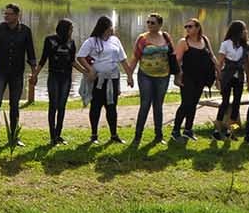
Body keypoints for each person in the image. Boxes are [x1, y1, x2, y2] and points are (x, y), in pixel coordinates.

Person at [0, 3, 36, 148]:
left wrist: (34, 71)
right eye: (5, 14)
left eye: (9, 14)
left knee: (14, 105)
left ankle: (14, 136)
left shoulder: (25, 31)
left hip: (17, 73)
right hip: (0, 72)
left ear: (18, 15)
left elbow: (31, 53)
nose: (6, 16)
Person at [75, 15, 129, 144]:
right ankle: (94, 135)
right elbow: (80, 57)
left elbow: (123, 59)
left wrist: (130, 75)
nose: (112, 30)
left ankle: (114, 135)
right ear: (104, 28)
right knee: (96, 106)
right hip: (98, 80)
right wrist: (90, 69)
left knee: (112, 107)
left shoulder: (115, 40)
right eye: (110, 27)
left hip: (113, 79)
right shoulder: (91, 41)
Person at [131, 14, 176, 146]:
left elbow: (172, 56)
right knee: (145, 105)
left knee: (158, 106)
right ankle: (137, 137)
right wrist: (129, 75)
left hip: (163, 76)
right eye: (148, 22)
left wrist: (178, 75)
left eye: (153, 23)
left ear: (160, 25)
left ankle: (158, 136)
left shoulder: (166, 37)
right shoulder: (142, 38)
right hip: (145, 75)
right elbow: (135, 57)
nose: (150, 25)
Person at [34, 18, 78, 145]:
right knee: (53, 105)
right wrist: (35, 75)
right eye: (71, 29)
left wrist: (86, 72)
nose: (72, 31)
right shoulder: (50, 40)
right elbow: (43, 60)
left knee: (62, 106)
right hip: (54, 76)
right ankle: (52, 135)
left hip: (66, 77)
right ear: (65, 29)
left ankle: (58, 134)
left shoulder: (72, 42)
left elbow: (73, 61)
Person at [172, 18, 215, 141]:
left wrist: (218, 71)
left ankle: (188, 130)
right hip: (187, 78)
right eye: (186, 27)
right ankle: (175, 130)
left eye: (190, 26)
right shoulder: (183, 42)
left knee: (193, 104)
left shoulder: (205, 40)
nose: (187, 29)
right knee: (186, 103)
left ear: (198, 28)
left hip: (201, 78)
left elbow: (212, 56)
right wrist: (177, 77)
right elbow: (177, 61)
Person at [213, 21, 247, 141]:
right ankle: (217, 129)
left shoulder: (244, 45)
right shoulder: (226, 44)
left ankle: (230, 130)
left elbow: (246, 63)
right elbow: (220, 62)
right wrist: (217, 79)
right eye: (243, 30)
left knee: (236, 103)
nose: (245, 32)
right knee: (225, 102)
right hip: (227, 75)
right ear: (237, 31)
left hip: (239, 76)